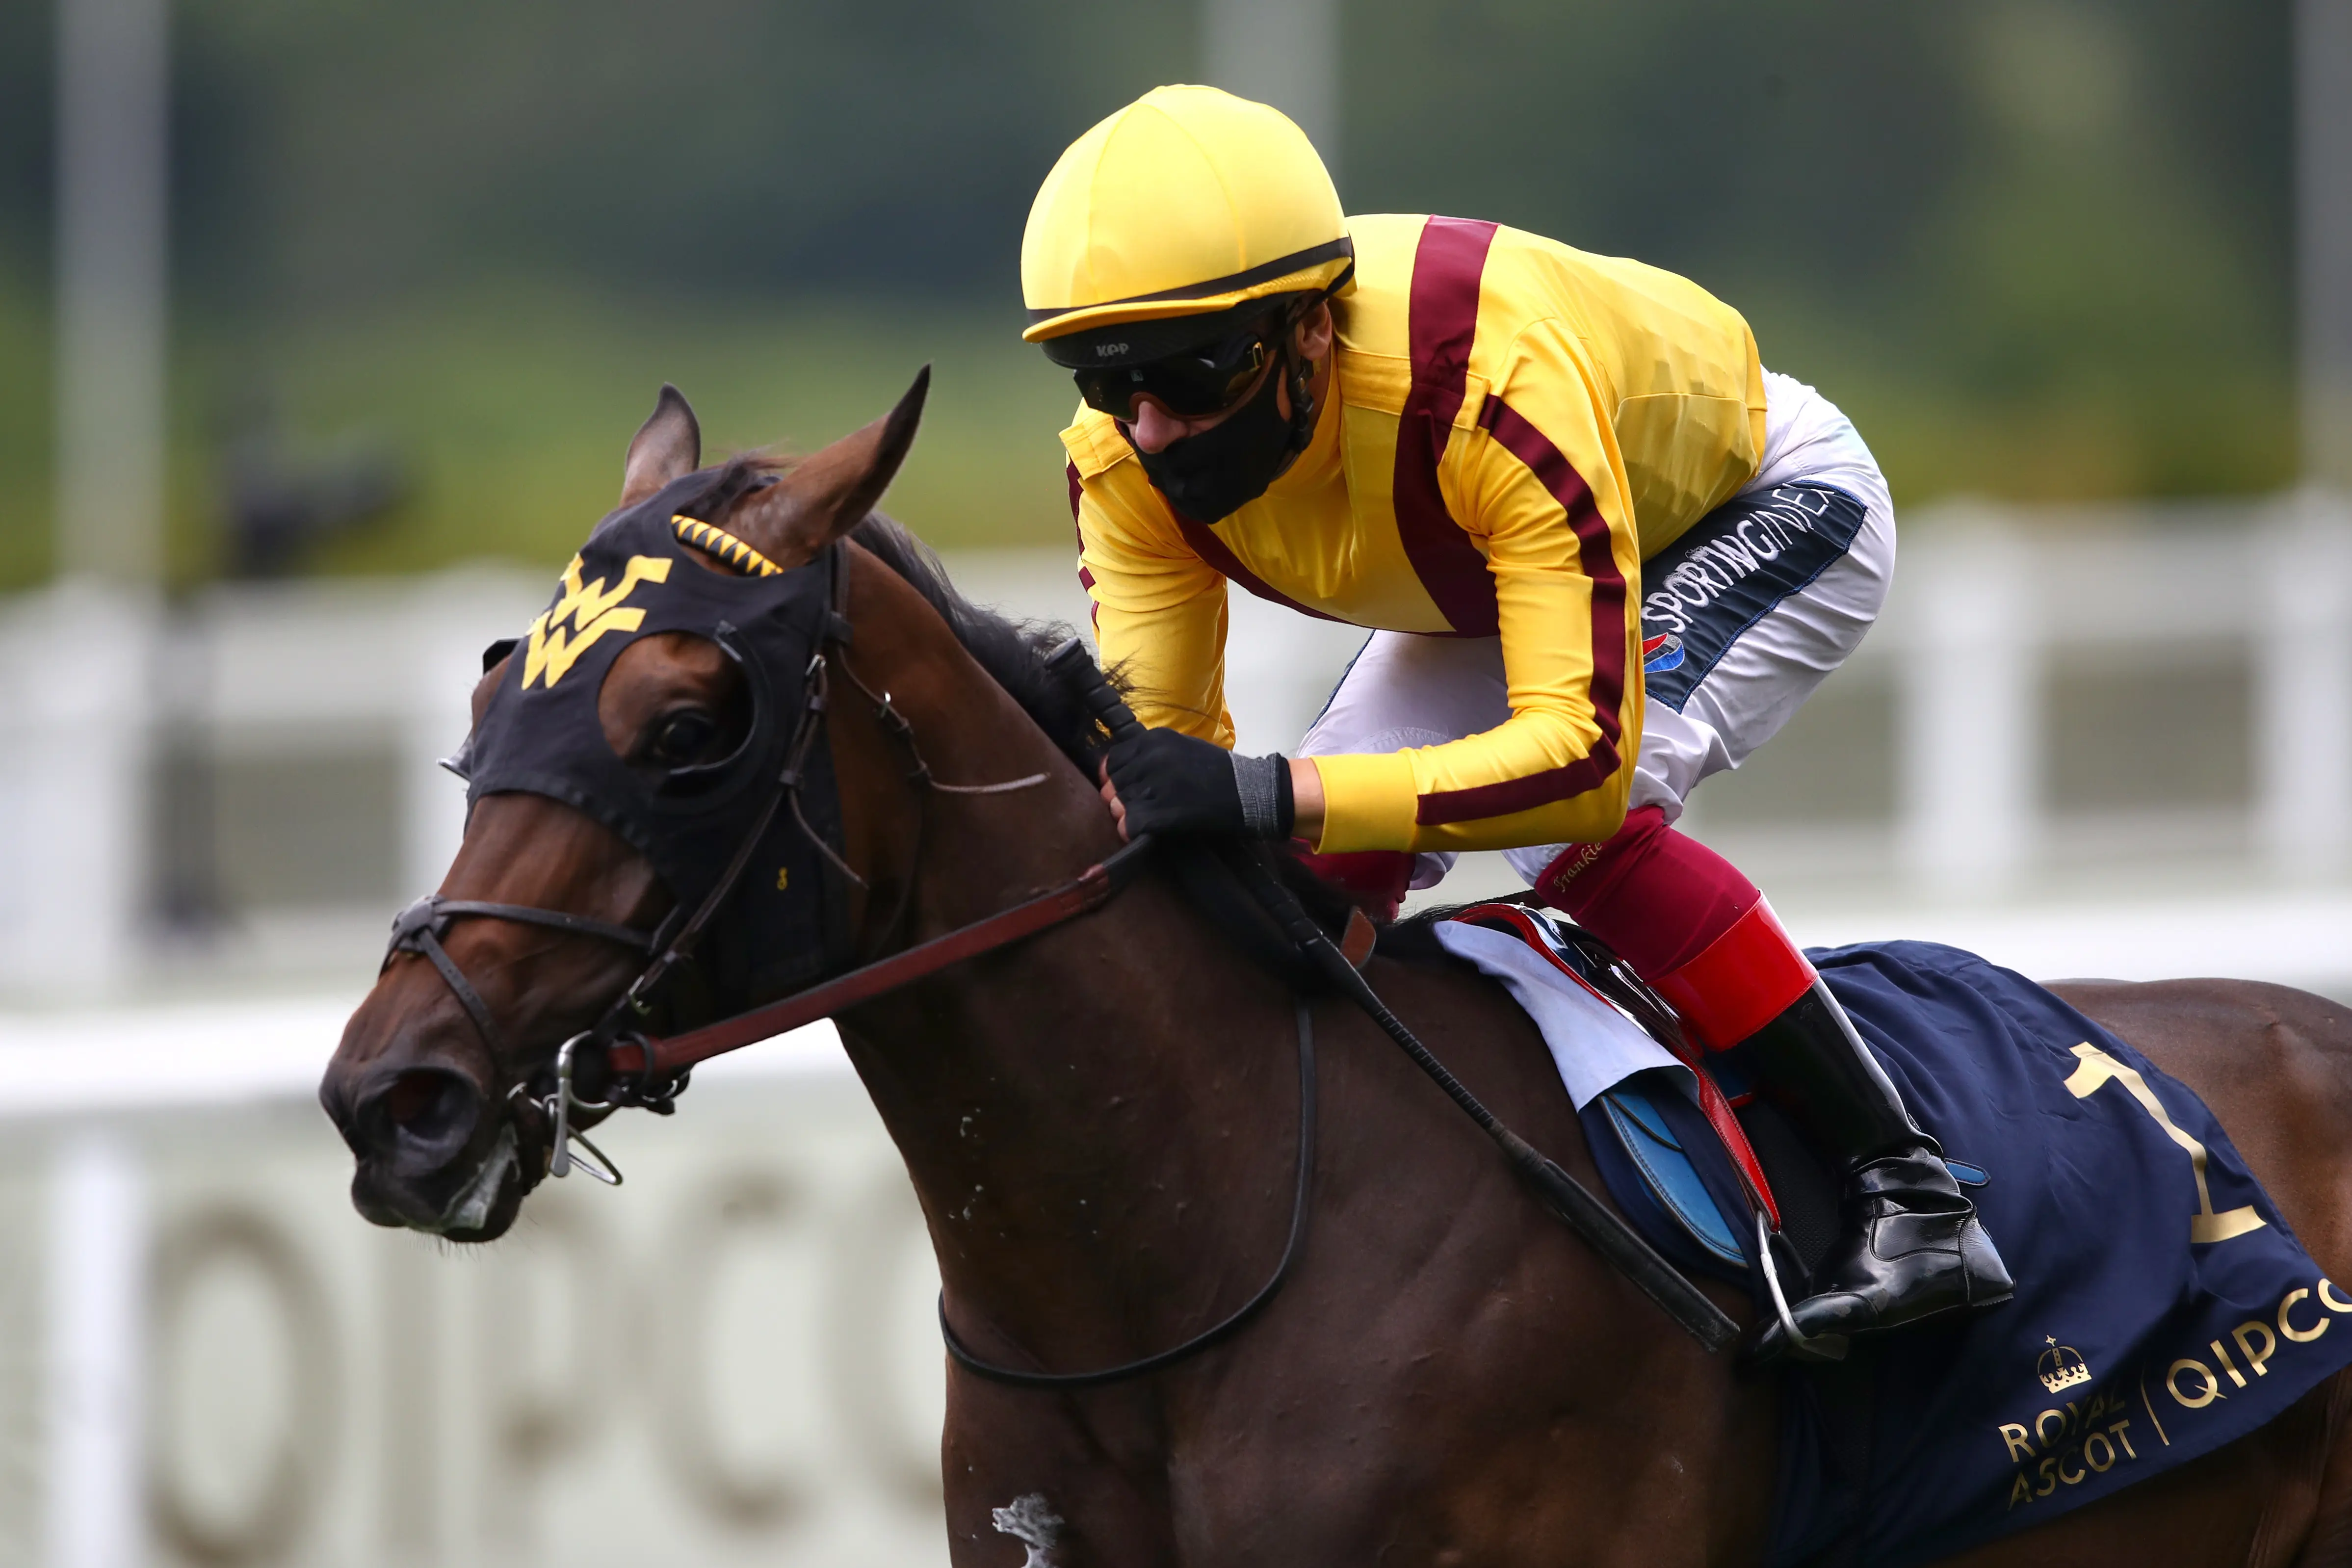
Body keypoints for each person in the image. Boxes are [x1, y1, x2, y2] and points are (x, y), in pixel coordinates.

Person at [1020, 84, 2010, 1359]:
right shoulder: (1121, 458)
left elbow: (1579, 762)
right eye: (1107, 380)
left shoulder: (1483, 380)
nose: (1151, 425)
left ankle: (1913, 1193)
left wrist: (1269, 792)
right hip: (1508, 557)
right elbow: (1175, 768)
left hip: (1753, 500)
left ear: (1313, 329)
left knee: (1571, 827)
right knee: (1316, 857)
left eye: (1191, 373)